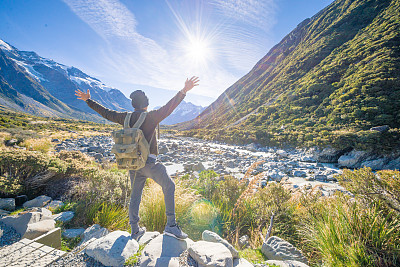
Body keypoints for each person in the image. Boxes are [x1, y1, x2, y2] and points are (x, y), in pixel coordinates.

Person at [75, 76, 200, 240]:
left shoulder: (124, 117)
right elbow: (170, 107)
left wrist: (89, 101)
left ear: (134, 105)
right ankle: (171, 226)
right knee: (169, 185)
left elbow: (105, 113)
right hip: (149, 164)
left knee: (135, 196)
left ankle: (134, 229)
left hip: (132, 164)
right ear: (146, 105)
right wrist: (184, 90)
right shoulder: (151, 116)